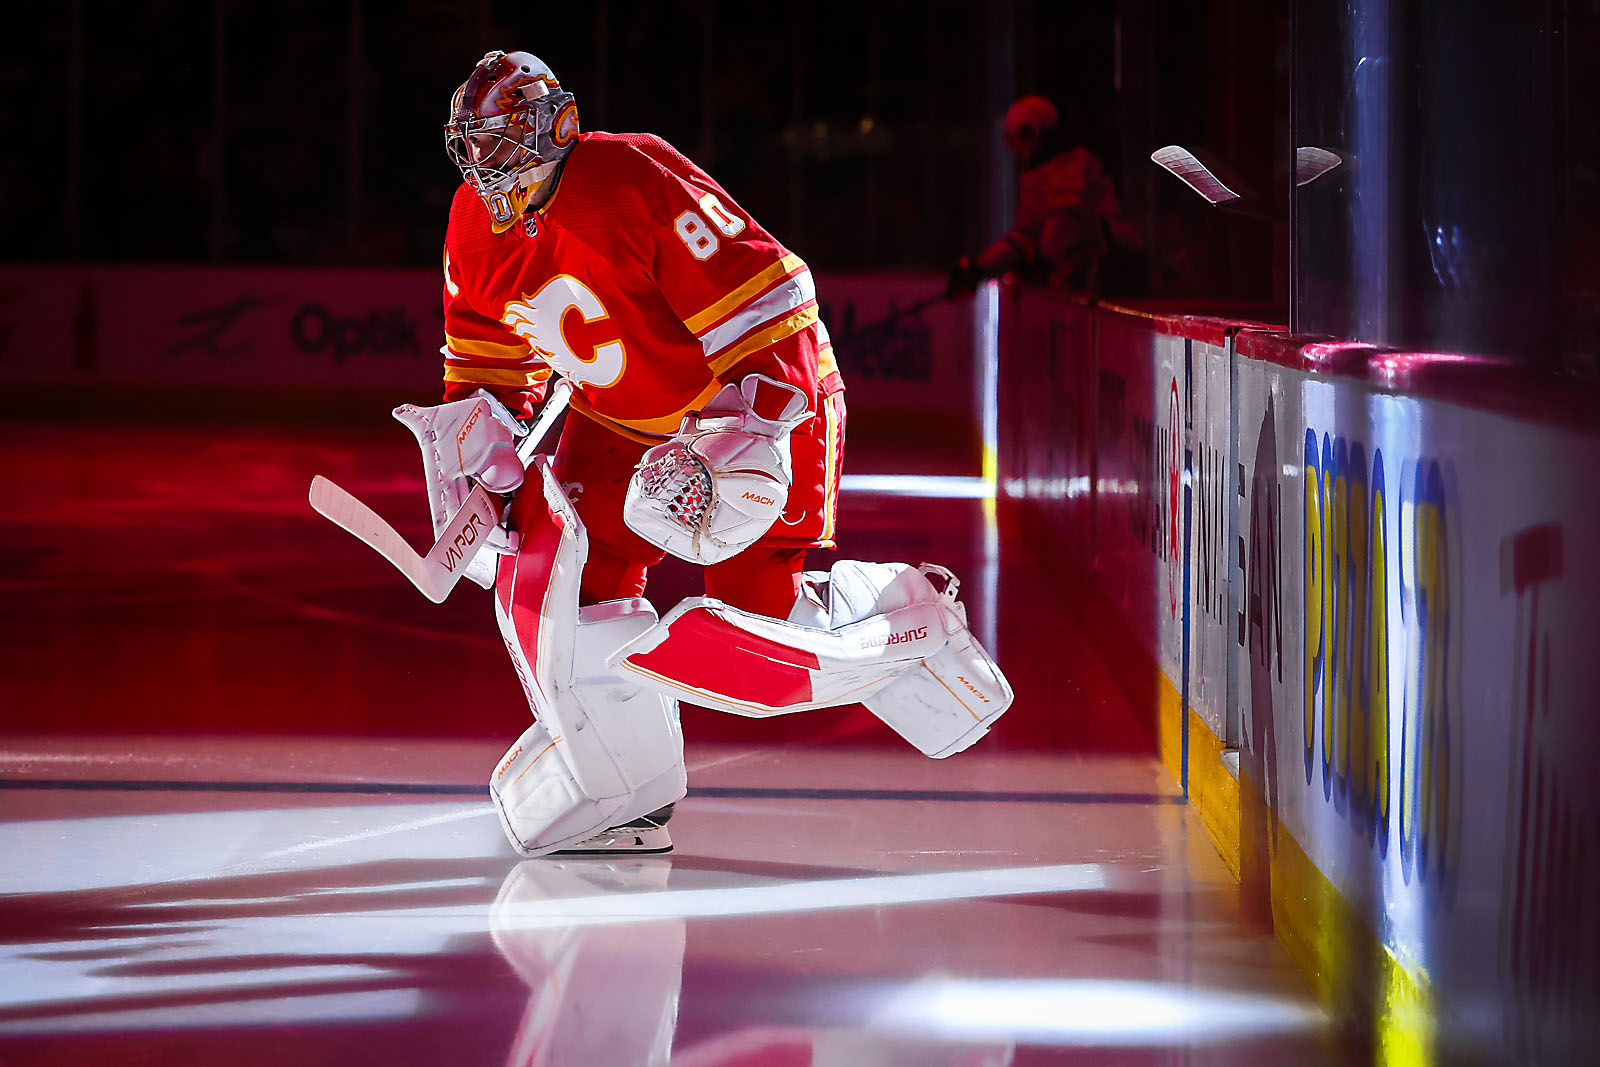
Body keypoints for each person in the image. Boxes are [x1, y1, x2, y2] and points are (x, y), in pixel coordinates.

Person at [414, 51, 1013, 859]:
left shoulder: (629, 176)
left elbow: (774, 301)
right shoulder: (469, 223)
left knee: (757, 636)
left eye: (500, 143)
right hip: (623, 420)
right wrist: (478, 452)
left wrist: (750, 435)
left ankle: (904, 618)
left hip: (753, 404)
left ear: (555, 124)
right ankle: (627, 783)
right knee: (563, 591)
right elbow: (484, 363)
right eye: (473, 146)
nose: (485, 166)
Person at [949, 96, 1141, 296]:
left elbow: (1064, 226)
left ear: (1030, 133)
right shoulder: (1040, 176)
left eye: (1015, 138)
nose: (1014, 149)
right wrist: (980, 267)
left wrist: (1036, 263)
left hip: (1105, 280)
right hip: (1075, 286)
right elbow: (1025, 236)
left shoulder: (1073, 167)